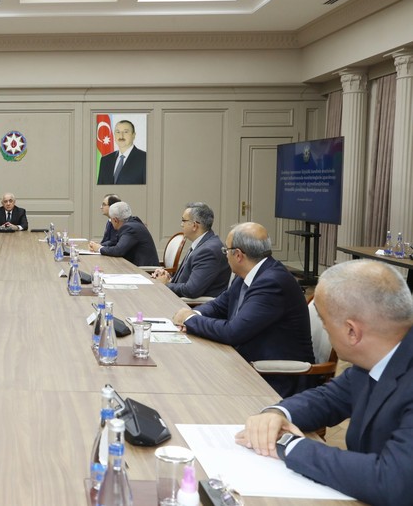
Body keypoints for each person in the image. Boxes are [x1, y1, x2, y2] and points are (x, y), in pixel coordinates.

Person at [235, 260, 413, 506]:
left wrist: (289, 445)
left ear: (352, 331)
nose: (325, 329)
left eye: (325, 324)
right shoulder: (375, 359)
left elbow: (393, 481)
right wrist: (277, 413)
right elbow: (327, 399)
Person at [172, 222, 313, 397]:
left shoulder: (272, 282)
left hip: (275, 378)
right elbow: (218, 305)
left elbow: (233, 332)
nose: (225, 255)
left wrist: (190, 320)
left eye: (226, 250)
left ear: (238, 255)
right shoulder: (249, 273)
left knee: (192, 383)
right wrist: (195, 313)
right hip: (245, 361)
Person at [152, 202, 230, 298]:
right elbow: (186, 280)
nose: (181, 225)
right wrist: (167, 278)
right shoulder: (201, 244)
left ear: (194, 225)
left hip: (192, 304)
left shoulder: (208, 251)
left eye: (183, 221)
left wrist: (166, 284)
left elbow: (191, 291)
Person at [88, 201, 158, 266]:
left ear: (115, 220)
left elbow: (118, 250)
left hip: (145, 271)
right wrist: (99, 245)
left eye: (111, 219)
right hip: (135, 267)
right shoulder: (133, 223)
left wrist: (99, 248)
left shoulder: (130, 228)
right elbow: (115, 242)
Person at [96, 120, 146, 185]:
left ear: (133, 135)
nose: (121, 136)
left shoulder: (145, 158)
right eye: (118, 132)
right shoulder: (105, 160)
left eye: (125, 132)